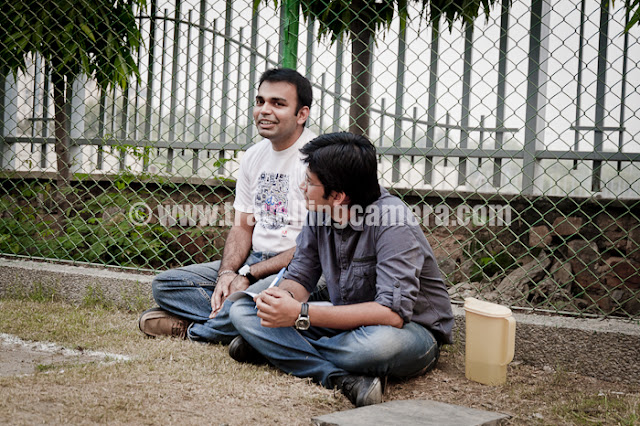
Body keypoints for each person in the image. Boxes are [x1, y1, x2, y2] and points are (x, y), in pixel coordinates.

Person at [228, 132, 455, 407]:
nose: (302, 187)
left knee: (375, 347)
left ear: (338, 196)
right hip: (340, 323)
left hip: (409, 331)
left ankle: (274, 348)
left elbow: (392, 314)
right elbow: (299, 277)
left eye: (310, 182)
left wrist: (299, 314)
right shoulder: (319, 212)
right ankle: (340, 379)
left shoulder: (393, 222)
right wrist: (282, 299)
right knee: (243, 309)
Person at [138, 68, 317, 344]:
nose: (264, 111)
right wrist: (227, 274)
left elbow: (313, 247)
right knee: (166, 285)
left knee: (248, 305)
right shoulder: (253, 157)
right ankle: (243, 326)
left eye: (278, 104)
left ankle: (196, 329)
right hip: (253, 260)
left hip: (296, 269)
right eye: (260, 102)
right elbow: (243, 226)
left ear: (301, 114)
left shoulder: (317, 158)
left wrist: (248, 274)